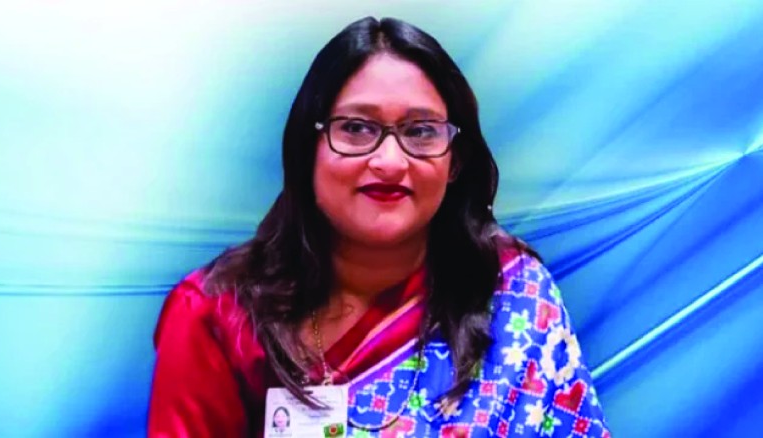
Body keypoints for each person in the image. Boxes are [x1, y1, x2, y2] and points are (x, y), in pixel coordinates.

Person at [148, 16, 609, 437]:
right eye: (356, 128)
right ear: (309, 148)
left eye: (421, 131)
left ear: (454, 162)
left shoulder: (510, 290)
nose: (390, 161)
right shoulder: (217, 316)